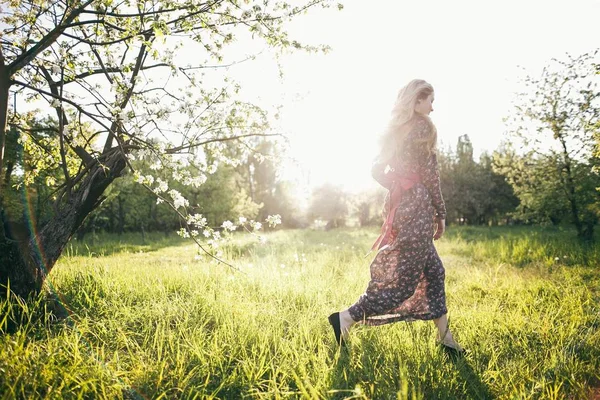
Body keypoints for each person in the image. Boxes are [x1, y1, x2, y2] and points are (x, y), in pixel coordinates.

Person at [328, 79, 464, 354]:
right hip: (419, 209)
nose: (433, 108)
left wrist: (398, 183)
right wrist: (440, 212)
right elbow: (430, 176)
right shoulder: (425, 128)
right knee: (403, 285)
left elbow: (376, 169)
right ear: (417, 101)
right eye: (430, 101)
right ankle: (346, 317)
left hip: (400, 205)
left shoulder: (393, 131)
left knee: (436, 272)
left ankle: (446, 339)